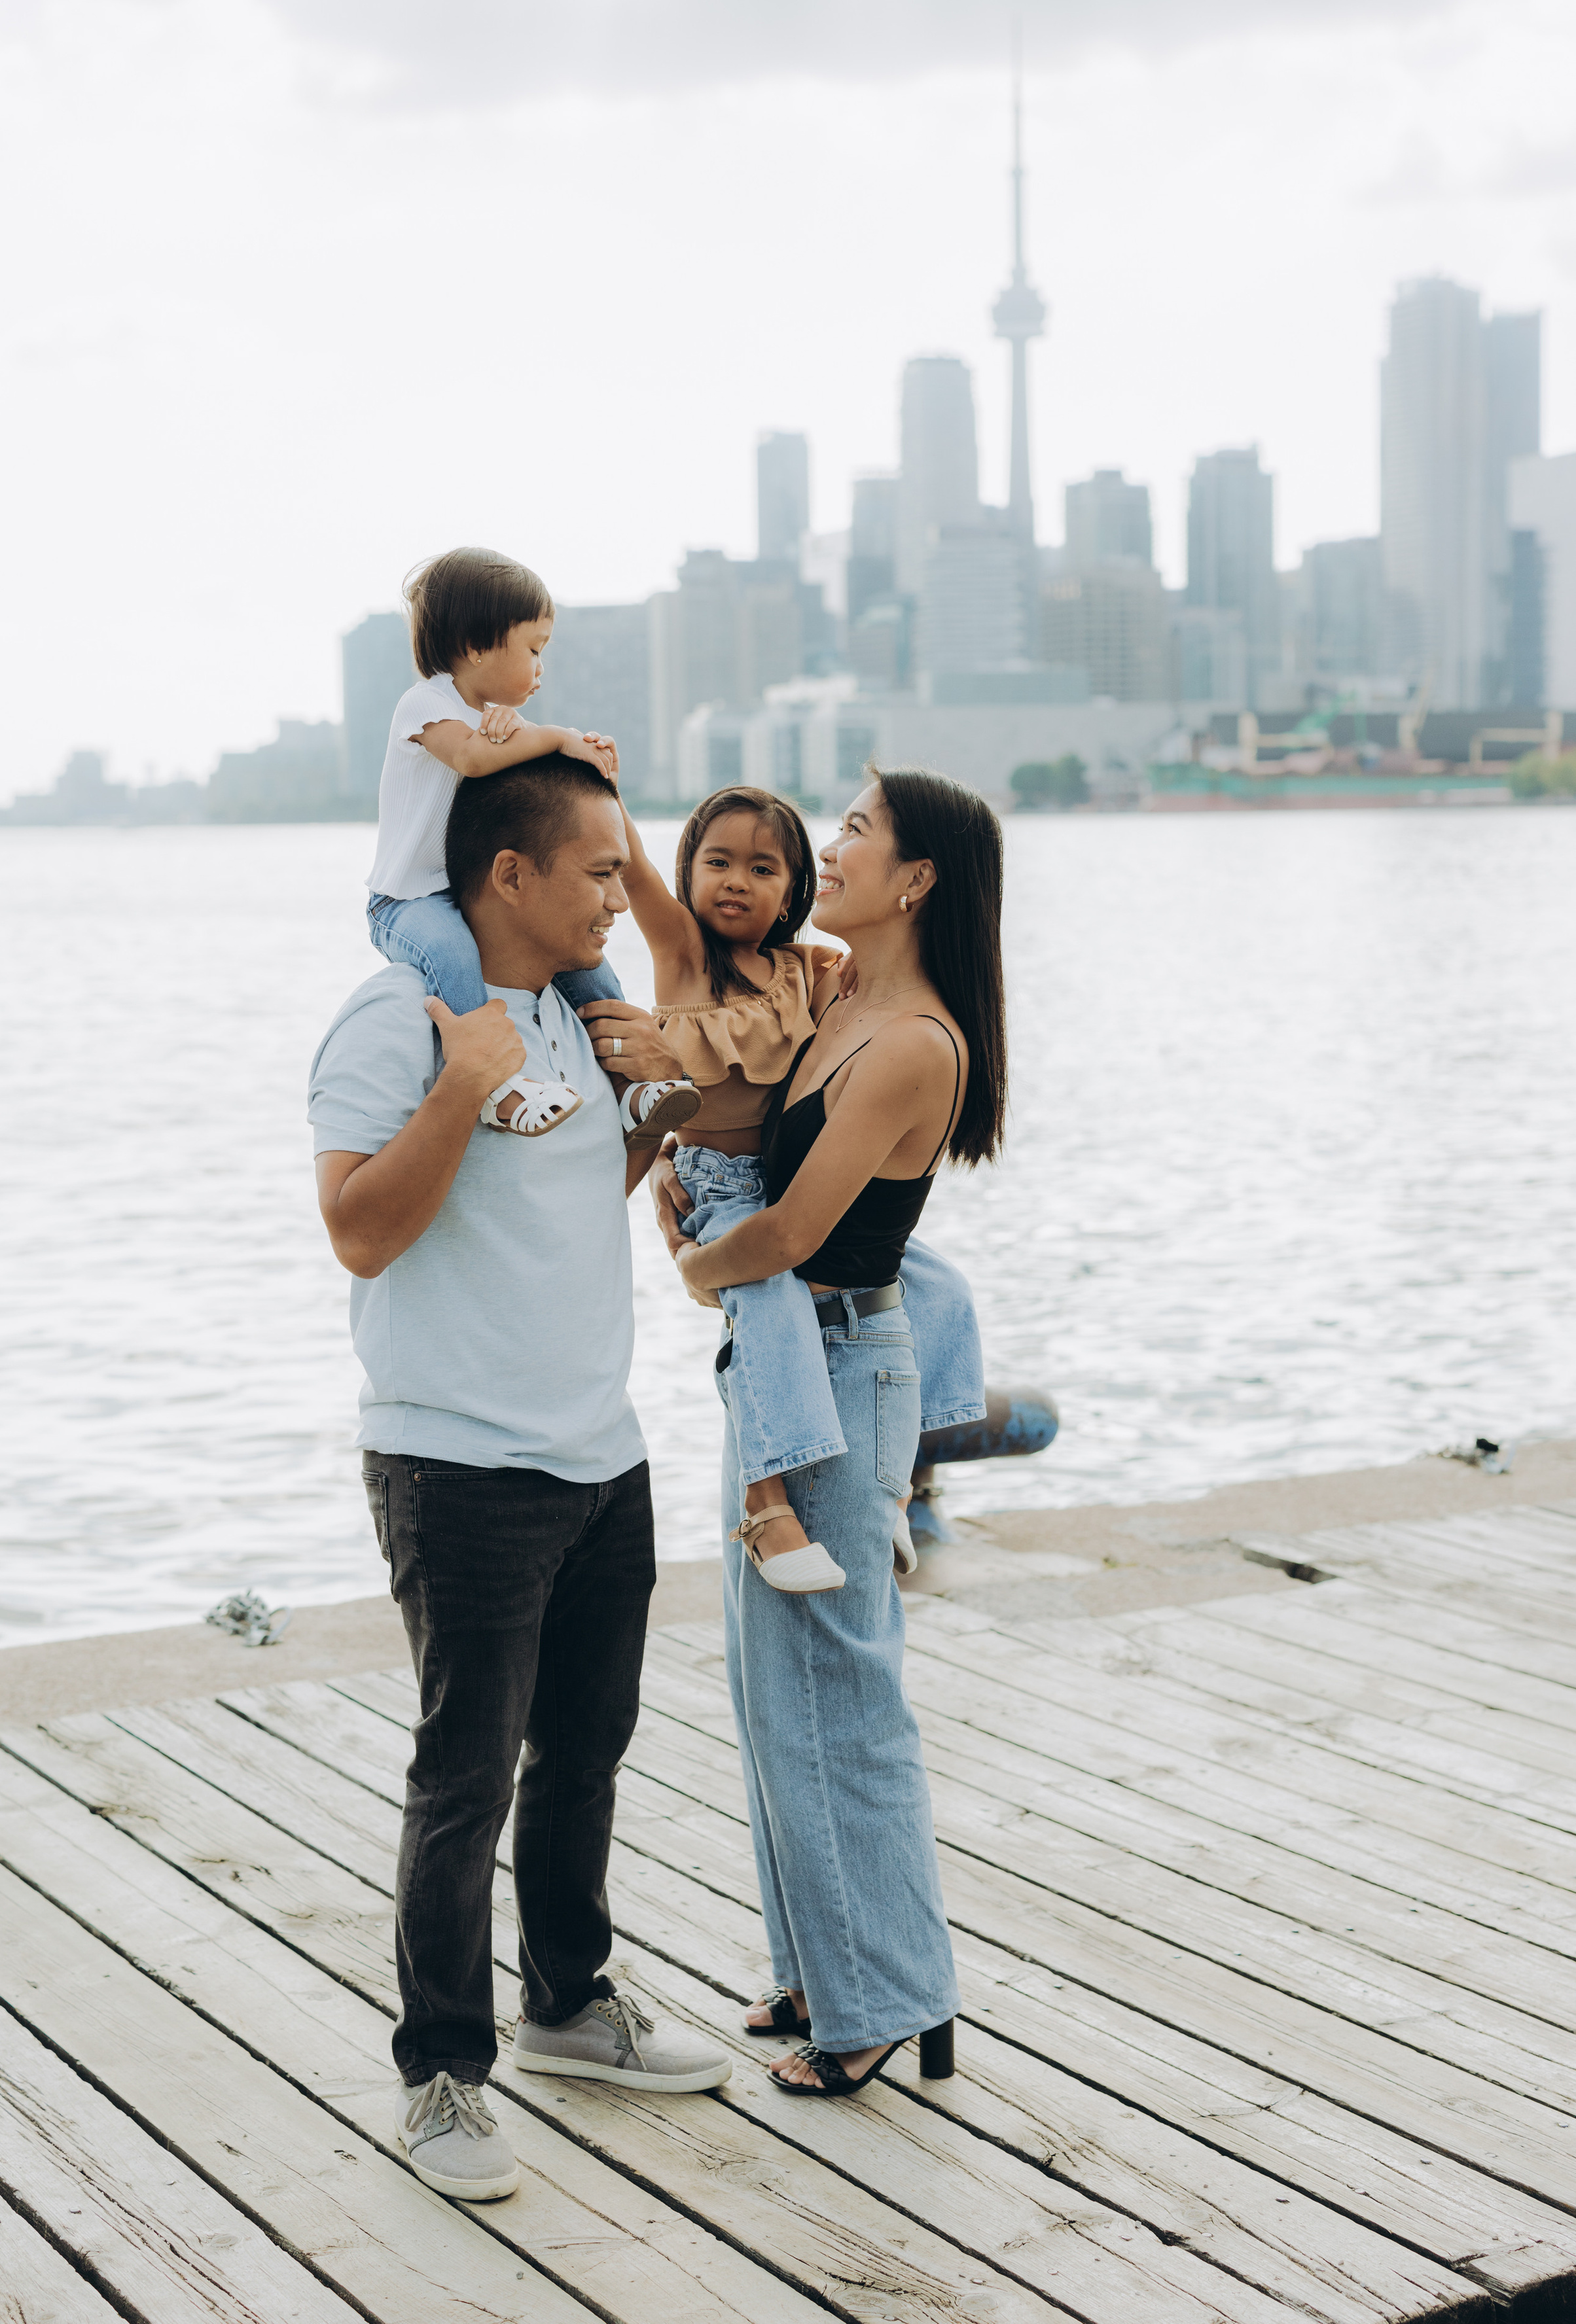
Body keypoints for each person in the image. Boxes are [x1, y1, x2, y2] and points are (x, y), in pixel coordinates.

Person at [310, 751, 732, 2205]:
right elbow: (360, 1233)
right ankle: (442, 2075)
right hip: (458, 1464)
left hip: (600, 1453)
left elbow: (562, 1189)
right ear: (511, 876)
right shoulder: (399, 1022)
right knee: (464, 1777)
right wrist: (458, 1088)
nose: (625, 893)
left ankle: (566, 2003)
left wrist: (663, 1109)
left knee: (585, 1751)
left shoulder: (571, 1013)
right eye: (604, 869)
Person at [654, 767, 1008, 2097]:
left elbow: (796, 1231)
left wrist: (697, 1271)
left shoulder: (915, 1041)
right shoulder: (840, 993)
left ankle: (880, 2001)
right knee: (767, 1687)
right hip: (780, 1363)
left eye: (856, 829)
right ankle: (819, 1962)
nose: (832, 844)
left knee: (837, 1692)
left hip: (845, 1367)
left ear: (913, 879)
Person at [622, 785, 986, 1591]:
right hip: (722, 1185)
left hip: (776, 1194)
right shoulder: (684, 957)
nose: (736, 882)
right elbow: (635, 870)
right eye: (716, 862)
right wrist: (594, 779)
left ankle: (908, 1463)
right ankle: (768, 1500)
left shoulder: (811, 978)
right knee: (769, 1308)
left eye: (763, 868)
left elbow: (863, 987)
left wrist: (691, 1269)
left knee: (935, 1283)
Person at [364, 544, 700, 1148]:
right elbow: (470, 756)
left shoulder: (498, 720)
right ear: (475, 647)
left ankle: (632, 1089)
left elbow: (529, 797)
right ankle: (499, 1086)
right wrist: (562, 737)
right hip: (408, 902)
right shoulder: (426, 702)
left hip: (465, 894)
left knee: (590, 972)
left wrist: (584, 764)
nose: (542, 668)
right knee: (455, 959)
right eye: (535, 649)